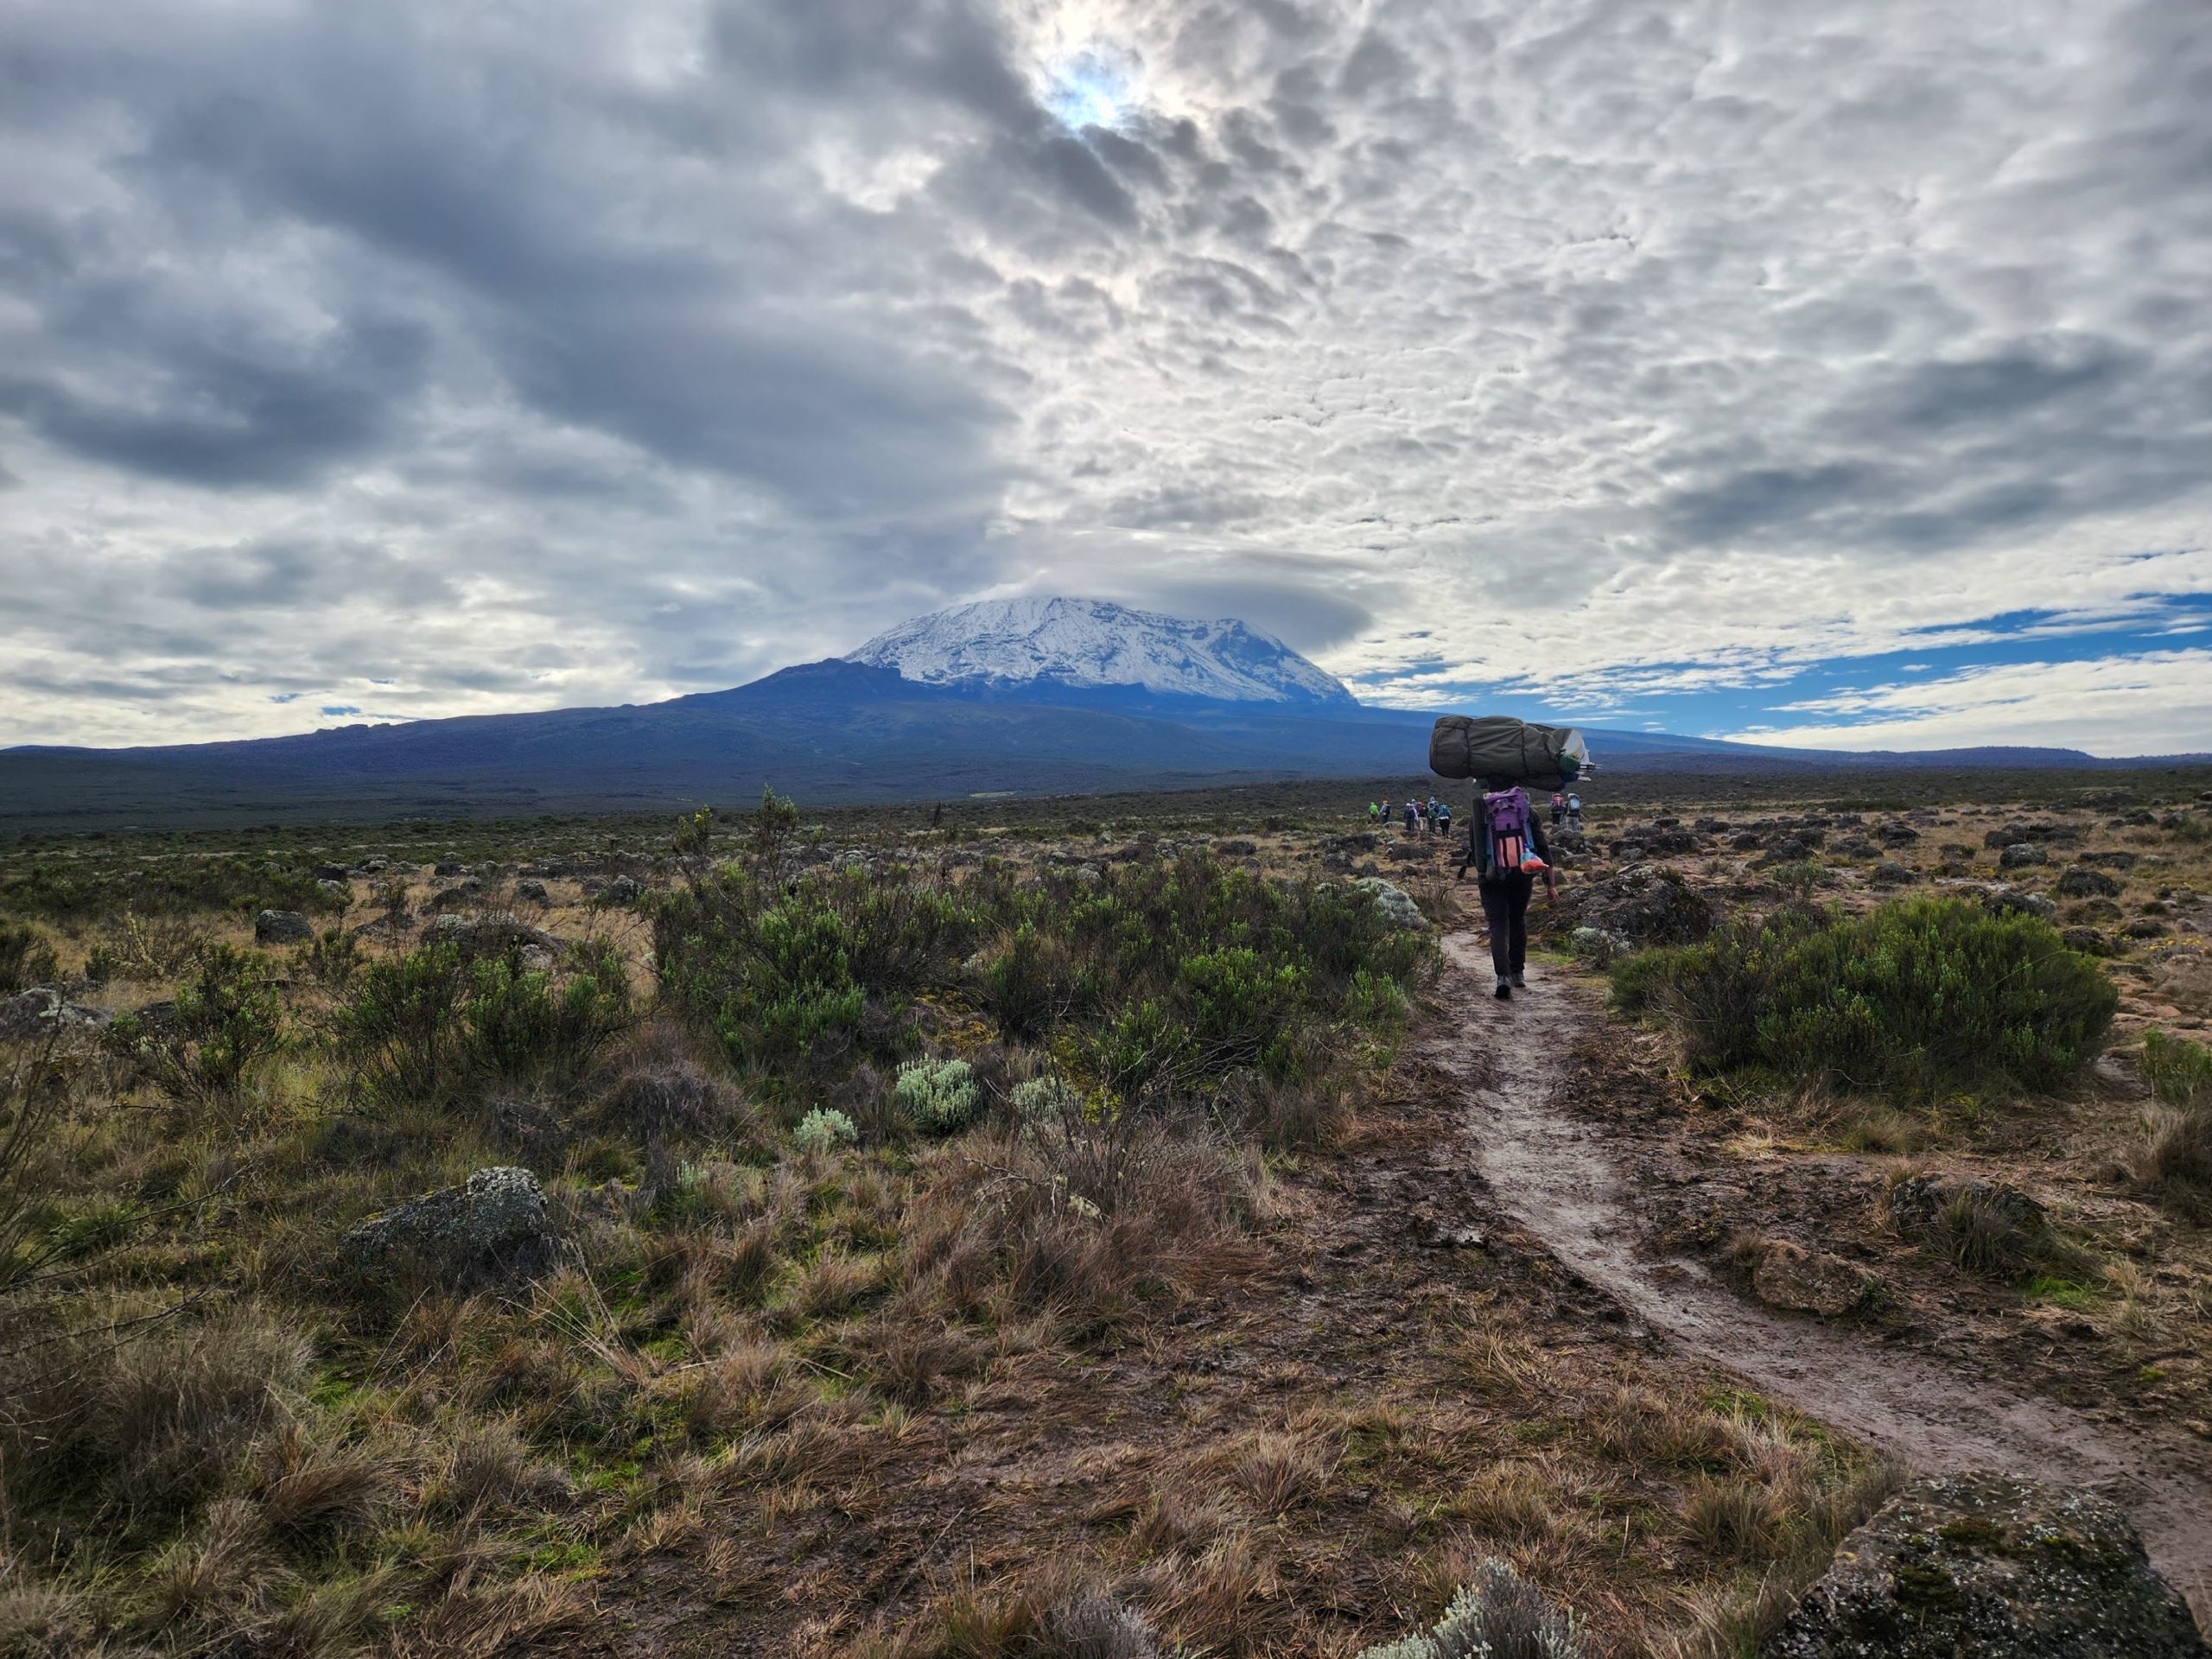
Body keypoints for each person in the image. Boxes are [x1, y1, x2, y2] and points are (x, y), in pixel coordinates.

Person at [1471, 781, 1555, 1000]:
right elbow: (1543, 850)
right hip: (1522, 875)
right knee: (1517, 920)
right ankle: (1518, 972)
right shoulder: (1526, 810)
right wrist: (1551, 885)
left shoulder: (1481, 811)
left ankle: (1502, 977)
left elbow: (1476, 850)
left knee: (1498, 925)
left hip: (1490, 877)